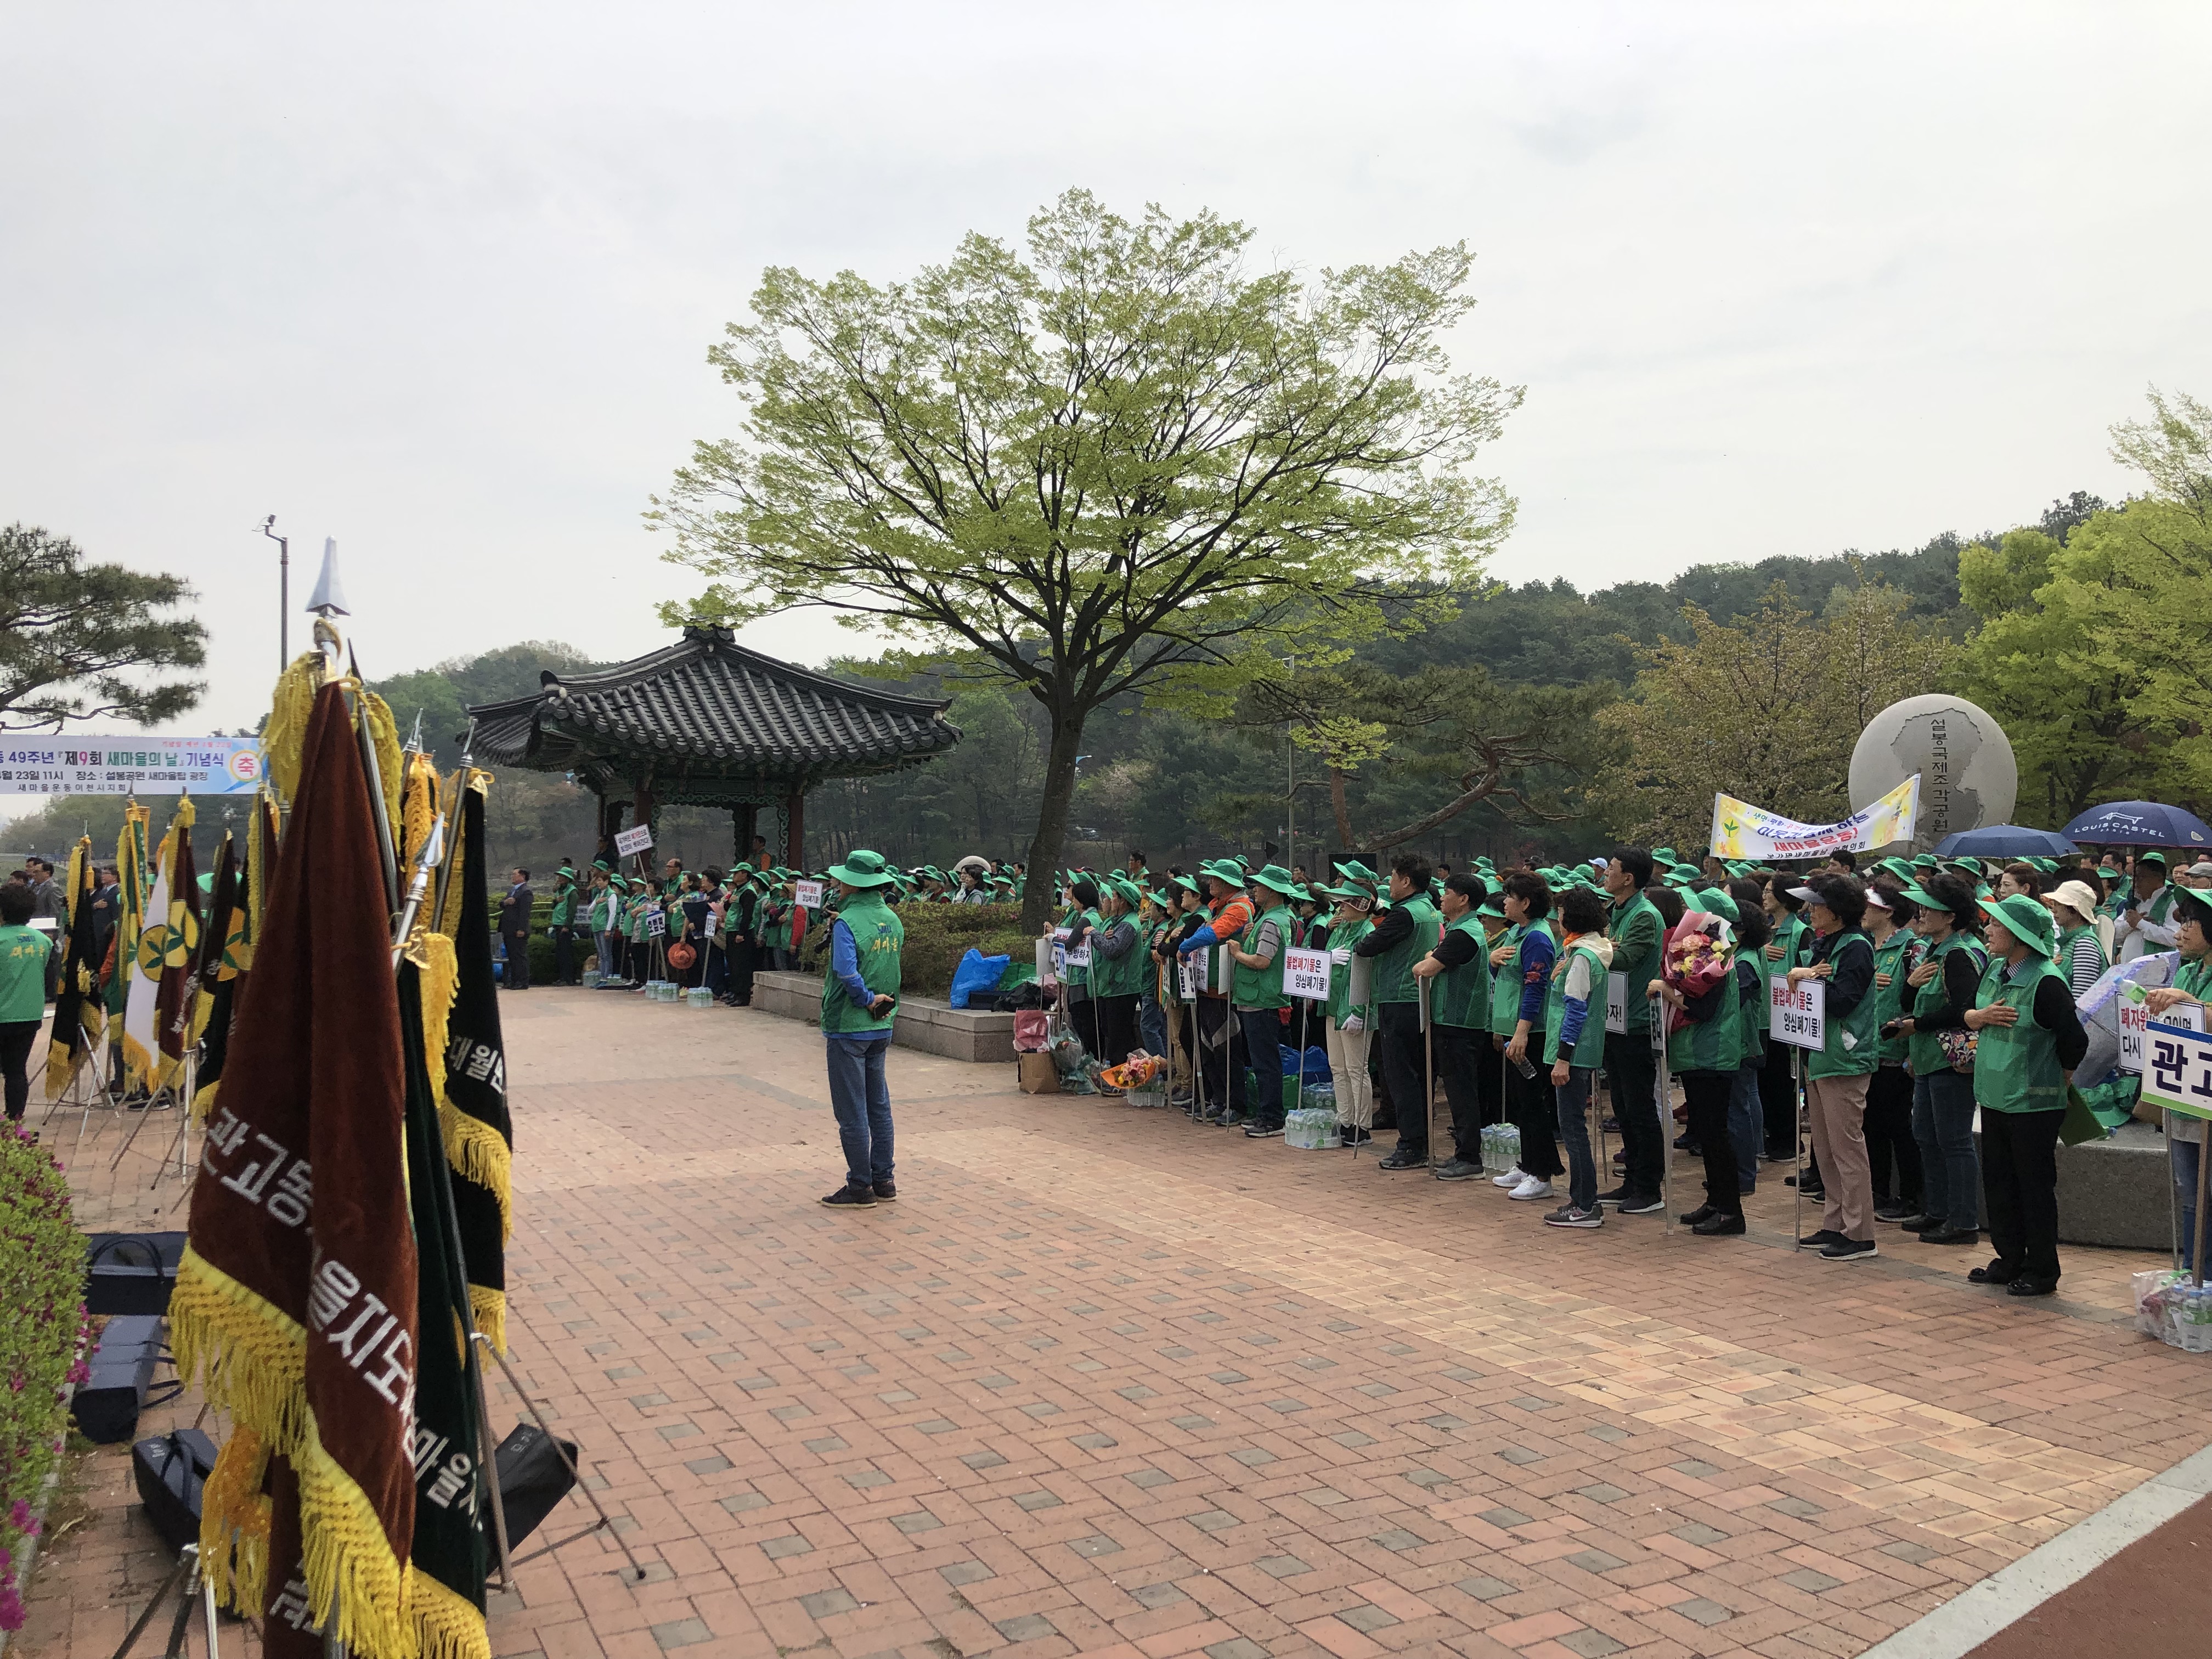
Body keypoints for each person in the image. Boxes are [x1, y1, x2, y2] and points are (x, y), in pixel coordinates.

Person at [1961, 892, 2088, 1295]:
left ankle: (2041, 1270)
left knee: (2033, 1188)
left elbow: (2076, 1041)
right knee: (1999, 1183)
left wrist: (2062, 1077)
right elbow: (1973, 1012)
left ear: (2018, 934)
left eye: (1996, 924)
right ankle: (2009, 1258)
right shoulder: (1997, 969)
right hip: (1996, 1095)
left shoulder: (2047, 981)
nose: (1988, 929)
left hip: (2033, 1102)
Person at [1785, 874, 1880, 1262]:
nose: (1810, 911)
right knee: (1825, 1148)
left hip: (1845, 1058)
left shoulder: (1856, 947)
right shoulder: (1829, 944)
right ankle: (1835, 1221)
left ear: (1837, 912)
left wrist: (1808, 979)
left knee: (1847, 1148)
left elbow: (1843, 1001)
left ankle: (1860, 1233)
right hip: (1821, 1055)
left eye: (1817, 904)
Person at [1890, 872, 1987, 1246]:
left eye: (1930, 906)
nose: (1921, 911)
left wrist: (1916, 1024)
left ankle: (1963, 1220)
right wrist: (1909, 987)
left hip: (1951, 1061)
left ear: (1949, 916)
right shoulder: (1933, 951)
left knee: (1954, 1139)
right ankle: (1938, 1210)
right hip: (1928, 1059)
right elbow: (1912, 1002)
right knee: (1926, 1136)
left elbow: (1964, 1010)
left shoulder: (1961, 954)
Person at [1654, 895, 1747, 1236]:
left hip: (1713, 1055)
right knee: (1707, 1134)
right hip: (1696, 1054)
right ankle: (1715, 1201)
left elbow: (1701, 1009)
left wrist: (1666, 990)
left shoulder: (1720, 957)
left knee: (1715, 1133)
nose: (1685, 915)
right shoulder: (1702, 954)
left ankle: (1730, 1211)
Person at [818, 849, 904, 1207]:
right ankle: (884, 1179)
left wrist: (866, 998)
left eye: (840, 879)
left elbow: (847, 972)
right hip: (882, 1025)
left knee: (852, 1110)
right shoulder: (892, 919)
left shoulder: (846, 924)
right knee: (878, 1106)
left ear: (853, 883)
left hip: (849, 1024)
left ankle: (860, 1186)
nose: (836, 884)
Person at [1355, 853, 1443, 1171]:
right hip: (1418, 999)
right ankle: (1419, 1142)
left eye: (1392, 877)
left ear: (1406, 881)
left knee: (1401, 1077)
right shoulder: (1428, 910)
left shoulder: (1405, 914)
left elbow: (1366, 946)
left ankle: (1411, 1145)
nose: (1388, 883)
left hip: (1398, 998)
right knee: (1419, 1076)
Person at [1409, 871, 1496, 1178]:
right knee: (1460, 1090)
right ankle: (1465, 1152)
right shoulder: (1463, 930)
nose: (1442, 898)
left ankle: (1470, 1158)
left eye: (1447, 892)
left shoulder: (1464, 934)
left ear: (1464, 899)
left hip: (1458, 1022)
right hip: (1455, 1021)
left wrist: (1428, 959)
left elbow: (1424, 968)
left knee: (1462, 1092)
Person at [2145, 887, 2212, 1268]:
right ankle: (2192, 1275)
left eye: (2191, 922)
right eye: (2181, 922)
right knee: (2190, 1195)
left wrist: (2188, 1002)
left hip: (2208, 1101)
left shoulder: (2188, 982)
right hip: (2183, 1098)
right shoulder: (2186, 970)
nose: (2181, 932)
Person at [1538, 884, 1612, 1226]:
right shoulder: (1583, 950)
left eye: (1562, 911)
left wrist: (1563, 1056)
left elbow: (1576, 1010)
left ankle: (1585, 1203)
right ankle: (1581, 1199)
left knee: (1573, 1130)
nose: (1558, 917)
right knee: (1573, 1128)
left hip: (1573, 1051)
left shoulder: (1583, 956)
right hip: (1576, 1049)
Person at [1598, 848, 1667, 1215]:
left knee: (1640, 1108)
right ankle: (1631, 1180)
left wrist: (1602, 946)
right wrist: (1607, 944)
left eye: (1611, 870)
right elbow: (1610, 949)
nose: (1606, 875)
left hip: (1638, 1021)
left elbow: (1622, 958)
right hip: (1614, 1017)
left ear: (1629, 878)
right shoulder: (1616, 911)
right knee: (1622, 1106)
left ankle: (1649, 1187)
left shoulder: (1644, 915)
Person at [1491, 871, 1563, 1200]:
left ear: (1526, 902)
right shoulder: (1517, 933)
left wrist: (1521, 1033)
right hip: (1511, 1029)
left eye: (1510, 896)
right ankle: (1527, 1162)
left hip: (1531, 1033)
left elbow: (1535, 988)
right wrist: (1492, 960)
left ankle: (1542, 1174)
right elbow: (1505, 973)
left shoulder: (1537, 937)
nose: (1504, 901)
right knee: (1520, 1103)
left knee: (1534, 1104)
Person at [1177, 862, 1254, 1125]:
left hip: (1224, 989)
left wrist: (1184, 947)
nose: (1210, 882)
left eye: (1215, 878)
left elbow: (1212, 933)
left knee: (1227, 1049)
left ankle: (1236, 1104)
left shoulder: (1239, 908)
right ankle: (1218, 1099)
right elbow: (1204, 929)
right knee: (1208, 1047)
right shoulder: (1217, 906)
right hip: (1206, 986)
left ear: (1228, 883)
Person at [1227, 866, 1301, 1137]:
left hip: (1262, 998)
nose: (1255, 889)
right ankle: (1267, 1114)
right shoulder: (1275, 917)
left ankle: (1272, 1119)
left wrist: (1237, 952)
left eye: (1260, 886)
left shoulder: (1272, 921)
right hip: (1261, 997)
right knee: (1264, 1061)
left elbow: (1262, 961)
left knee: (1266, 1063)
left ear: (1273, 891)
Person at [1757, 878, 1809, 1161]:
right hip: (1762, 1015)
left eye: (1769, 891)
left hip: (1786, 1017)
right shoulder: (1763, 930)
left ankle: (1789, 1141)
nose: (1764, 896)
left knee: (1782, 1083)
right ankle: (1771, 1135)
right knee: (1765, 1080)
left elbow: (1807, 972)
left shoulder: (1801, 933)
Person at [1321, 885, 1376, 1147]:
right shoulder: (1340, 929)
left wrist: (1359, 1011)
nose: (1340, 906)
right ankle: (1345, 1120)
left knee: (1356, 1069)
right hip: (1332, 1006)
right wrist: (1326, 960)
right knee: (1337, 1068)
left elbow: (1368, 977)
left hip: (1354, 1009)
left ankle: (1361, 1126)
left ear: (1361, 905)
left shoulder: (1369, 933)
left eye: (1346, 902)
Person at [1, 882, 55, 1122]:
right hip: (30, 1014)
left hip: (2, 1014)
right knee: (16, 1071)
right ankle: (15, 1123)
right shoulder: (43, 941)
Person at [2045, 879, 2109, 997]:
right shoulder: (2072, 941)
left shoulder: (2084, 944)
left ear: (2075, 909)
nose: (2054, 909)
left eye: (2059, 904)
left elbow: (2081, 998)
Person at [500, 867, 535, 989]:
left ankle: (523, 981)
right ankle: (514, 981)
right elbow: (501, 903)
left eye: (515, 874)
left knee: (520, 955)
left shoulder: (526, 892)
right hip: (508, 928)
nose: (512, 877)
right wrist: (506, 902)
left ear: (522, 876)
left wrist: (522, 929)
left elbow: (525, 912)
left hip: (518, 929)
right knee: (512, 956)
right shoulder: (512, 891)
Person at [549, 860, 580, 984]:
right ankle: (562, 977)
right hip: (557, 923)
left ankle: (568, 978)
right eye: (559, 876)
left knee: (566, 953)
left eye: (562, 877)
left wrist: (567, 925)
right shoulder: (559, 890)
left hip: (564, 925)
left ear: (568, 878)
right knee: (560, 953)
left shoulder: (572, 891)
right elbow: (553, 905)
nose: (560, 879)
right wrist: (556, 901)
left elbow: (572, 910)